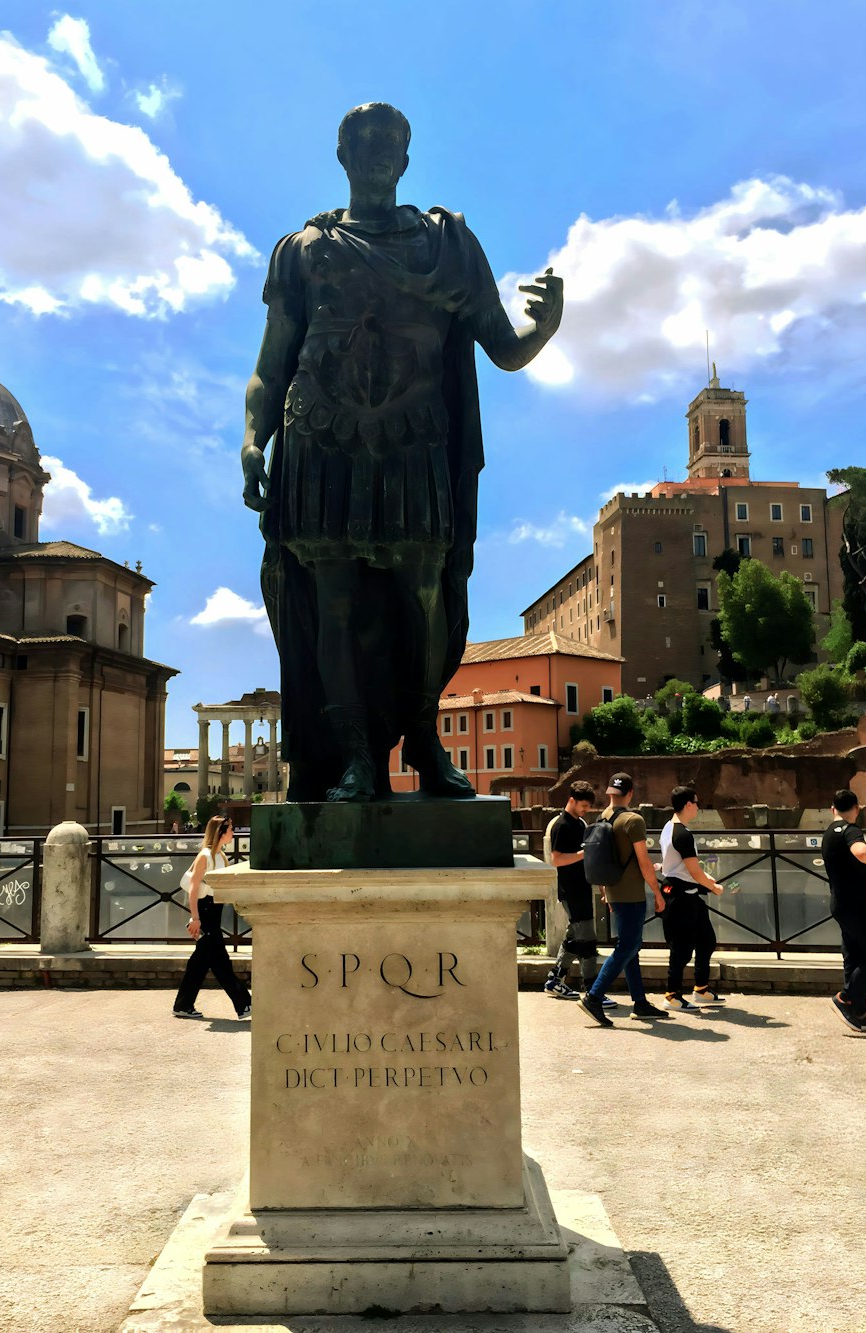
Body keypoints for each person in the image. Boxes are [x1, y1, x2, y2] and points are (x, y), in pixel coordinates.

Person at [240, 103, 563, 802]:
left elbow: (503, 347)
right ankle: (355, 757)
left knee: (425, 598)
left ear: (407, 159)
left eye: (391, 140)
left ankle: (424, 739)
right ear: (343, 154)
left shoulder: (445, 245)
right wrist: (251, 438)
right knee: (335, 607)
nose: (378, 150)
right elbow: (272, 361)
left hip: (413, 442)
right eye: (365, 139)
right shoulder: (301, 250)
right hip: (320, 443)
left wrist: (544, 327)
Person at [578, 773, 667, 1026]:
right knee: (627, 947)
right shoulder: (633, 820)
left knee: (631, 947)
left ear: (609, 794)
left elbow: (602, 856)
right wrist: (658, 893)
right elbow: (644, 862)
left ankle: (639, 1002)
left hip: (613, 891)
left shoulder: (602, 818)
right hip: (631, 894)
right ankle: (594, 997)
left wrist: (604, 890)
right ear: (630, 794)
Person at [822, 789, 866, 1036]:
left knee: (854, 957)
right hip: (858, 906)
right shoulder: (850, 830)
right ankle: (846, 998)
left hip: (841, 904)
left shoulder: (829, 833)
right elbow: (861, 852)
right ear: (857, 808)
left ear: (833, 809)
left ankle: (859, 1013)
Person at [543, 780, 615, 1009]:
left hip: (581, 887)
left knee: (575, 936)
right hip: (571, 889)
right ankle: (594, 990)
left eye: (587, 807)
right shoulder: (561, 825)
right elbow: (556, 858)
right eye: (583, 805)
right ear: (572, 800)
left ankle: (555, 979)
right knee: (587, 939)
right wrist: (584, 854)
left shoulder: (579, 822)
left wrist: (601, 885)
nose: (585, 810)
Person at [172, 815, 252, 1020]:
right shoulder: (205, 856)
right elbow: (193, 889)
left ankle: (183, 1005)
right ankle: (244, 1004)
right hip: (205, 911)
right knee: (220, 961)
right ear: (220, 832)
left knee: (200, 963)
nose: (233, 833)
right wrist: (195, 918)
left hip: (213, 910)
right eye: (230, 829)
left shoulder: (220, 856)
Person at [658, 786, 725, 1011]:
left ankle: (701, 989)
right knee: (682, 948)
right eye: (696, 802)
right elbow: (694, 871)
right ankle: (672, 995)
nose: (698, 806)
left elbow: (683, 867)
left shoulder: (669, 827)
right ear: (688, 804)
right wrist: (713, 887)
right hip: (680, 897)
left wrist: (708, 881)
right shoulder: (682, 834)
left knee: (706, 941)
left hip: (688, 894)